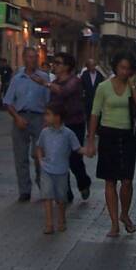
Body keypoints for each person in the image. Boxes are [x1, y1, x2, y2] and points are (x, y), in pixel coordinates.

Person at [85, 50, 136, 237]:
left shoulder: (134, 85)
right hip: (108, 134)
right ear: (115, 67)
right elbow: (95, 113)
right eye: (121, 68)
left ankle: (124, 214)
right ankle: (114, 223)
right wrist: (91, 140)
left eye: (128, 69)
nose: (124, 72)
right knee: (110, 180)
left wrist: (133, 86)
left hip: (127, 135)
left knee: (127, 180)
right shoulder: (103, 87)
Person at [3, 47, 51, 202]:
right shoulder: (17, 78)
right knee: (20, 156)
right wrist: (17, 117)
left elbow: (49, 102)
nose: (32, 60)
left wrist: (46, 121)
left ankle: (42, 185)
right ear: (24, 58)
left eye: (35, 57)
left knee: (39, 155)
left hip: (38, 118)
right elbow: (8, 102)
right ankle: (24, 190)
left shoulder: (44, 77)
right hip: (21, 116)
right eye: (29, 57)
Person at [47, 52, 90, 201]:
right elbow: (52, 104)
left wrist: (46, 84)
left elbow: (65, 92)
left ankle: (83, 183)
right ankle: (65, 191)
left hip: (74, 123)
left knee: (74, 158)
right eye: (54, 62)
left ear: (66, 66)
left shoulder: (74, 81)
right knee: (60, 157)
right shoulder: (55, 83)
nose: (54, 65)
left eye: (58, 63)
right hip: (59, 125)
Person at [36, 104, 81, 234]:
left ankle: (61, 218)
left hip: (61, 170)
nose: (45, 117)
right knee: (47, 195)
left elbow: (77, 148)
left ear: (57, 117)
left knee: (61, 197)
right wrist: (40, 160)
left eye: (48, 114)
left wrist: (87, 151)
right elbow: (39, 146)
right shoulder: (45, 132)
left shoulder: (68, 133)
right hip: (47, 169)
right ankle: (49, 223)